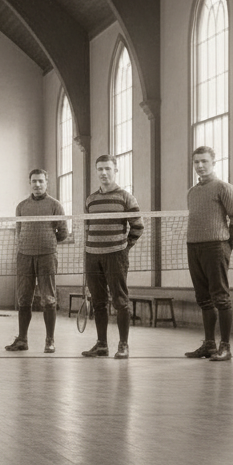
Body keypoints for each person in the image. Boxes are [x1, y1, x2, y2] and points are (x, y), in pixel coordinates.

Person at [184, 146, 233, 362]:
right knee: (203, 298)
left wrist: (227, 245)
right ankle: (209, 345)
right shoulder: (192, 192)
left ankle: (225, 347)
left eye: (204, 161)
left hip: (216, 247)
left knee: (220, 296)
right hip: (193, 247)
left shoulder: (224, 188)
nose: (200, 166)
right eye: (196, 162)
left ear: (213, 163)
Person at [81, 154, 144, 359]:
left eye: (108, 168)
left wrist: (124, 249)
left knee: (120, 301)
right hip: (92, 257)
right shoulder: (90, 200)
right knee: (98, 302)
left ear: (115, 170)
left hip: (115, 256)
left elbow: (138, 227)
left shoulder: (126, 198)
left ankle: (123, 345)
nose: (103, 173)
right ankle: (101, 345)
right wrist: (88, 253)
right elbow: (88, 229)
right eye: (100, 169)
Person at [7, 169, 68, 353]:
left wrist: (46, 243)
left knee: (48, 298)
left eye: (41, 181)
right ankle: (22, 340)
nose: (37, 184)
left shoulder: (55, 205)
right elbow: (19, 231)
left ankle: (50, 341)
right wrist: (28, 245)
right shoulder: (21, 206)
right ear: (30, 182)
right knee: (24, 298)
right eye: (34, 181)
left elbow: (63, 233)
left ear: (46, 182)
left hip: (47, 257)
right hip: (24, 257)